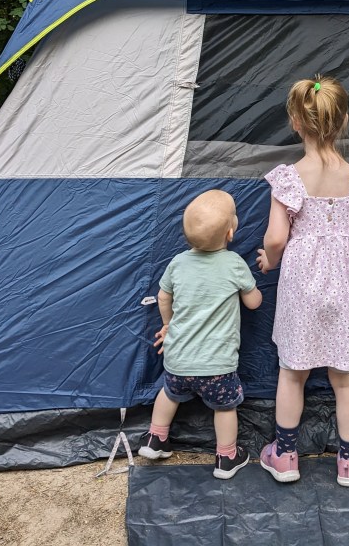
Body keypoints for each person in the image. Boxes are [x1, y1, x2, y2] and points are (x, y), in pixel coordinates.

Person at [256, 75, 349, 487]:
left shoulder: (289, 177)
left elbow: (277, 237)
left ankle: (285, 455)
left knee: (292, 371)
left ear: (296, 122)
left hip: (300, 283)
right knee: (346, 375)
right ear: (344, 118)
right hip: (347, 282)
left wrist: (269, 260)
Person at [138, 189, 263, 479]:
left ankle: (155, 439)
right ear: (231, 232)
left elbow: (163, 297)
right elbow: (253, 302)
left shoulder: (178, 263)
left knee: (169, 394)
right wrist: (253, 290)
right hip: (217, 366)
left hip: (178, 360)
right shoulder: (234, 264)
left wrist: (167, 324)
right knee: (225, 408)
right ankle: (227, 457)